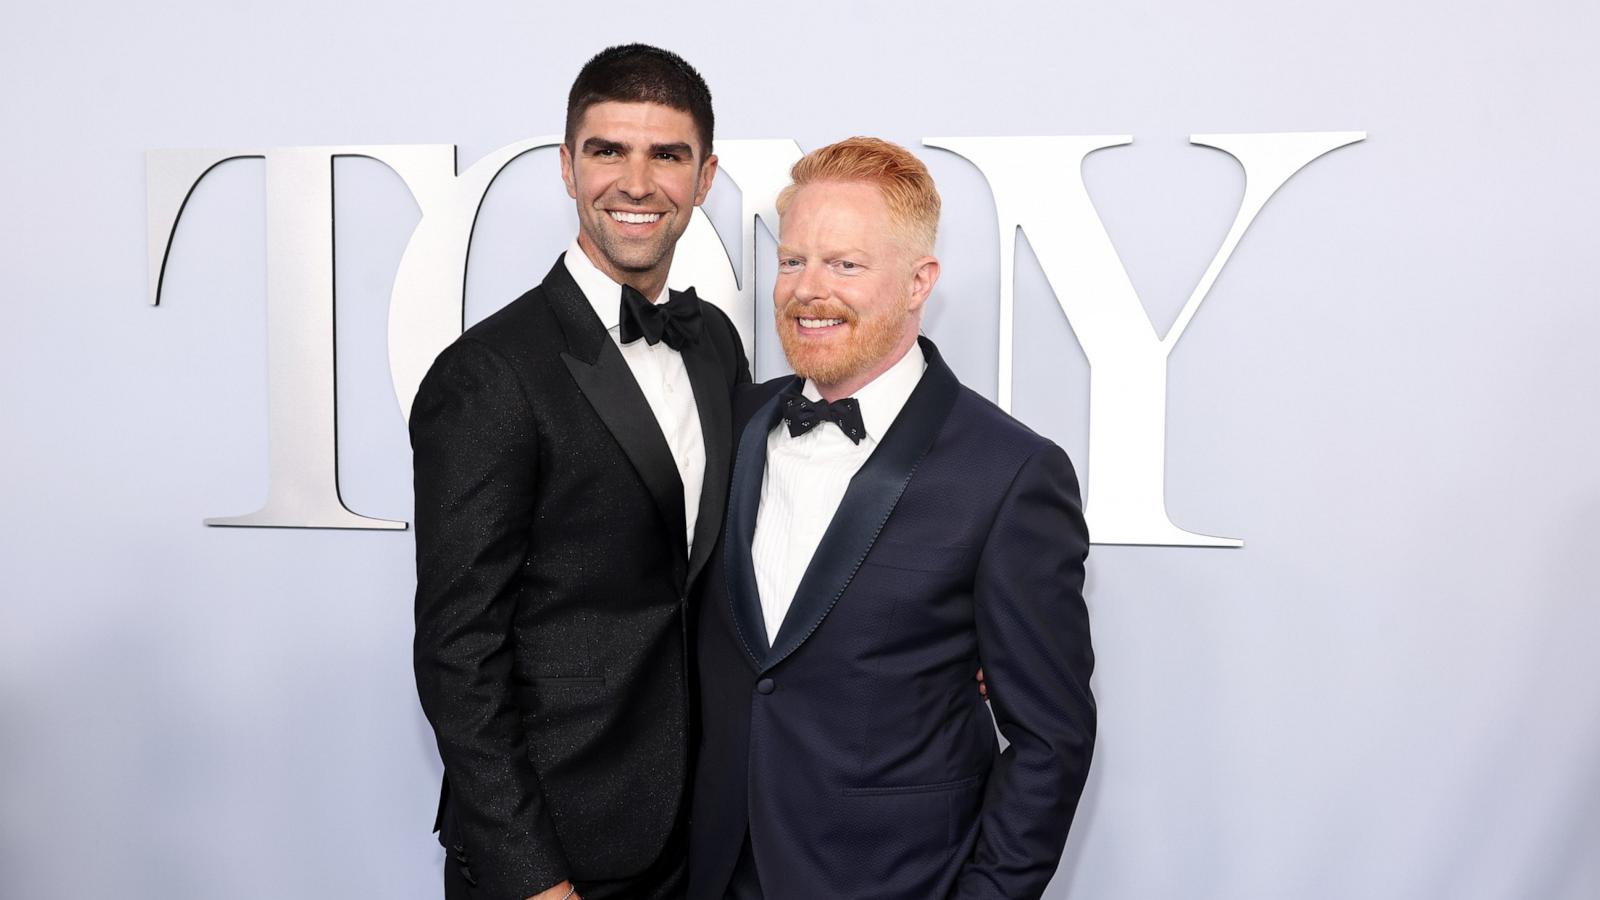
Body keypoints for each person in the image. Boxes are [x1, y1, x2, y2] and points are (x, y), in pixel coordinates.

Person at [687, 137, 1096, 900]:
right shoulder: (734, 425)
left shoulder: (1008, 474)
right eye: (793, 260)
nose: (809, 290)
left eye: (846, 265)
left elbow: (1052, 740)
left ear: (919, 282)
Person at [411, 44, 748, 900]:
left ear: (704, 178)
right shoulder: (488, 374)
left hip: (697, 834)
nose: (636, 183)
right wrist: (533, 878)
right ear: (568, 168)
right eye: (608, 151)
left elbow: (736, 560)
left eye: (666, 155)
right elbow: (459, 653)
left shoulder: (714, 345)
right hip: (556, 852)